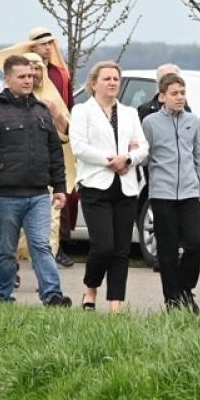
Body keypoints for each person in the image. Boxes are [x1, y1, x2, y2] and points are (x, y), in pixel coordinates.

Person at [0, 54, 72, 306]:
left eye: (31, 76)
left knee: (41, 246)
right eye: (22, 76)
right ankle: (4, 295)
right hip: (5, 195)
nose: (28, 81)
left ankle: (52, 295)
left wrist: (60, 187)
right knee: (6, 250)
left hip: (38, 194)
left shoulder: (41, 110)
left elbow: (54, 151)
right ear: (7, 79)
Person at [71, 61, 148, 313]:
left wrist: (128, 158)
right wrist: (111, 160)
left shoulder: (129, 113)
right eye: (107, 78)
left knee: (121, 250)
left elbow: (143, 147)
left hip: (126, 187)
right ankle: (91, 287)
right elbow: (79, 147)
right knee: (103, 246)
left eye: (116, 78)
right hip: (95, 185)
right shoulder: (82, 111)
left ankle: (116, 304)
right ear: (94, 83)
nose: (112, 83)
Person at [0, 29, 76, 262]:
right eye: (27, 73)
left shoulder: (53, 92)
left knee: (51, 220)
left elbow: (65, 132)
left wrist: (57, 116)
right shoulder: (6, 104)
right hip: (16, 172)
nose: (32, 77)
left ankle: (50, 259)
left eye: (36, 71)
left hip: (48, 167)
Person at [142, 73, 200, 313]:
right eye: (174, 93)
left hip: (190, 193)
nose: (180, 97)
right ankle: (172, 299)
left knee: (195, 243)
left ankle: (185, 289)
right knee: (168, 250)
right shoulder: (150, 123)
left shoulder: (193, 122)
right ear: (162, 97)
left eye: (182, 93)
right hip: (162, 194)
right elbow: (144, 157)